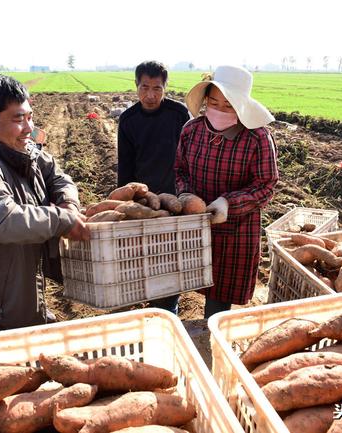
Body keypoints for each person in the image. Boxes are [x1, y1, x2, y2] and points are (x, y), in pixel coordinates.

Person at [0, 74, 90, 335]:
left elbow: (57, 176)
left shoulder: (20, 148)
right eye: (18, 119)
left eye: (29, 117)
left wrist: (68, 202)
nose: (28, 128)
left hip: (19, 294)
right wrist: (61, 219)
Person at [175, 65, 279, 319]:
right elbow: (180, 170)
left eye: (228, 105)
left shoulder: (257, 139)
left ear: (241, 106)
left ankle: (212, 334)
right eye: (214, 102)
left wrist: (229, 204)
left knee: (219, 299)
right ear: (205, 100)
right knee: (181, 277)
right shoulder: (192, 130)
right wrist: (186, 195)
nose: (219, 110)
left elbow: (266, 185)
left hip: (236, 232)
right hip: (195, 225)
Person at [117, 61, 190, 315]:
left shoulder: (178, 114)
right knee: (143, 255)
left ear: (165, 87)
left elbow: (190, 154)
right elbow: (125, 166)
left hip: (176, 198)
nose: (150, 95)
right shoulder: (128, 120)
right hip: (145, 201)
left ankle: (168, 308)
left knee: (172, 256)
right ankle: (143, 304)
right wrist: (126, 201)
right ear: (136, 86)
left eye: (157, 88)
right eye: (144, 87)